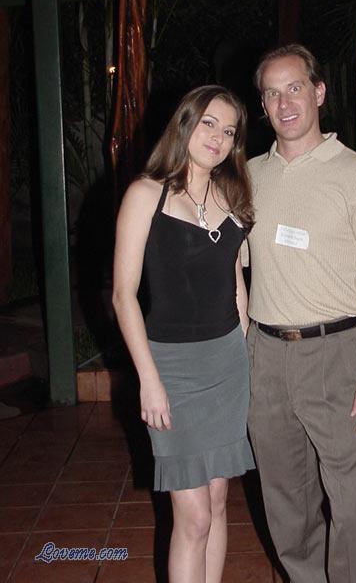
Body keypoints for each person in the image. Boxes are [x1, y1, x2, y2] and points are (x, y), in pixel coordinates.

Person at [245, 44, 356, 583]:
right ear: (263, 105)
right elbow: (228, 268)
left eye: (294, 88)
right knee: (286, 506)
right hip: (266, 358)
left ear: (318, 92)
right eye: (272, 93)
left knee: (351, 508)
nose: (284, 103)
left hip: (338, 357)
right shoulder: (247, 177)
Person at [112, 85, 255, 583]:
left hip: (227, 366)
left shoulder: (231, 195)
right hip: (172, 369)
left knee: (217, 502)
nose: (218, 137)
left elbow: (235, 283)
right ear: (186, 122)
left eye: (229, 131)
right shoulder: (146, 194)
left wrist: (245, 354)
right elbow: (123, 296)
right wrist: (149, 380)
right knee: (192, 516)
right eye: (208, 123)